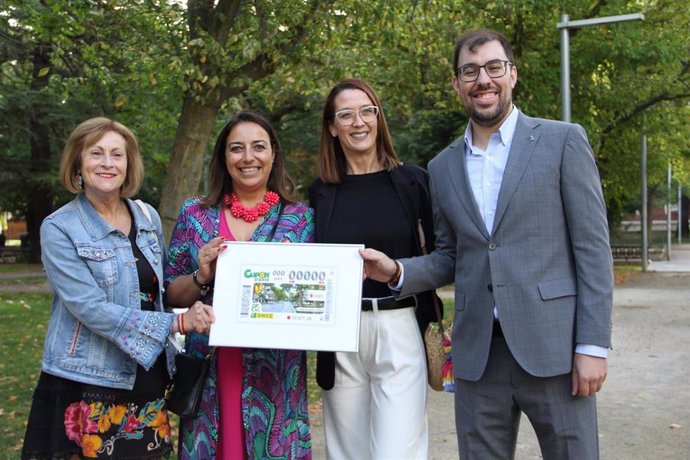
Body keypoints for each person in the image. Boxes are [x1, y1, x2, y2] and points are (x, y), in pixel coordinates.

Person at [360, 28, 614, 460]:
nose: (483, 79)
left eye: (494, 67)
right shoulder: (442, 167)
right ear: (457, 83)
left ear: (512, 75)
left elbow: (592, 250)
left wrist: (592, 346)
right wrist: (398, 272)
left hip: (555, 349)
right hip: (478, 355)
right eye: (470, 70)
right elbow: (451, 256)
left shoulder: (562, 141)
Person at [21, 117, 213, 459]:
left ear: (129, 164)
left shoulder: (147, 217)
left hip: (148, 380)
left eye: (117, 154)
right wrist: (177, 324)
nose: (107, 163)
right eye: (96, 153)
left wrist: (200, 276)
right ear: (78, 162)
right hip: (88, 385)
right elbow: (90, 308)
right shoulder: (59, 228)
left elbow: (160, 293)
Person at [165, 109, 314, 459]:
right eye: (236, 148)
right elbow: (172, 291)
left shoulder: (300, 219)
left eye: (258, 147)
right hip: (212, 367)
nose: (248, 158)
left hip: (275, 373)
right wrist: (203, 275)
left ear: (273, 154)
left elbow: (315, 297)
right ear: (223, 157)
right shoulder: (195, 214)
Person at [308, 78, 438, 459]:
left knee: (397, 452)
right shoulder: (320, 192)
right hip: (340, 332)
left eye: (367, 111)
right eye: (345, 114)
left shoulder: (413, 181)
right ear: (332, 127)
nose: (358, 122)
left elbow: (443, 258)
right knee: (346, 453)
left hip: (399, 326)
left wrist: (397, 270)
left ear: (379, 118)